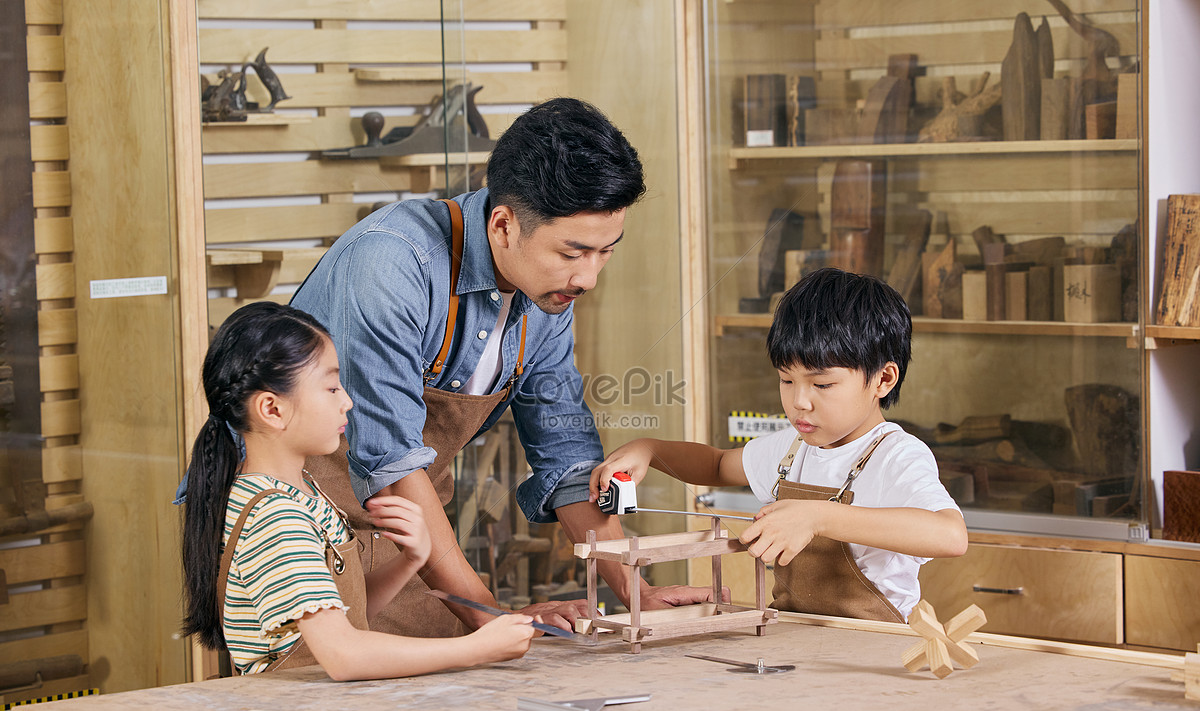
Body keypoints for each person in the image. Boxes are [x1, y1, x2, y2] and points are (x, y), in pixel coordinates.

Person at [291, 97, 714, 635]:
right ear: (503, 225)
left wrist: (637, 593)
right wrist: (494, 615)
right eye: (572, 252)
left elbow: (566, 461)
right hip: (297, 533)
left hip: (412, 543)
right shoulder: (393, 263)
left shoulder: (548, 296)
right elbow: (392, 467)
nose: (589, 278)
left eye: (606, 252)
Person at [180, 302, 535, 679]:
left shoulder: (302, 492)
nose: (347, 401)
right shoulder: (276, 517)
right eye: (331, 388)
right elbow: (343, 654)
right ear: (272, 408)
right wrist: (476, 648)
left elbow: (343, 612)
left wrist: (409, 560)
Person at [589, 268, 968, 622]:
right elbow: (717, 465)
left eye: (822, 385)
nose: (800, 401)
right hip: (791, 634)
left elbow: (949, 535)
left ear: (883, 379)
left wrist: (818, 517)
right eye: (787, 381)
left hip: (872, 647)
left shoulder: (895, 455)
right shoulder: (792, 448)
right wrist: (651, 450)